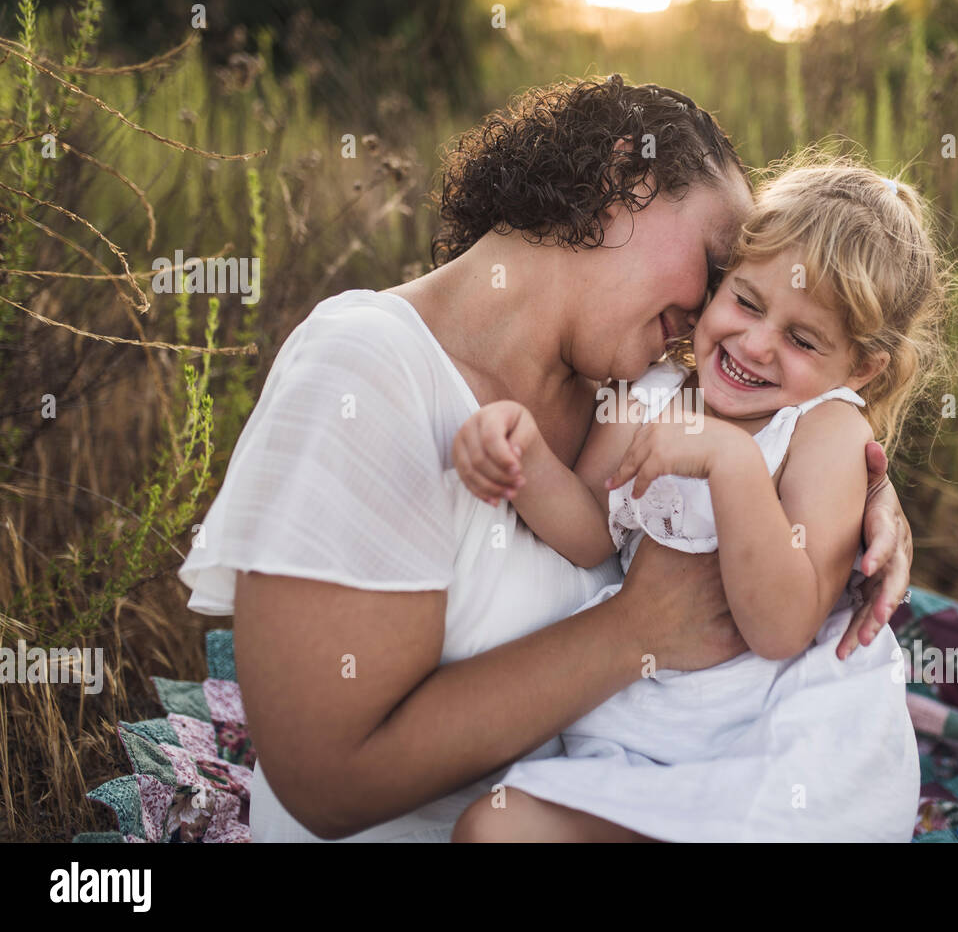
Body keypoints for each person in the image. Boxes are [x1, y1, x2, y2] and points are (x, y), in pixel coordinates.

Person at [177, 76, 916, 842]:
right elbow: (324, 784)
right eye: (718, 267)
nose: (712, 312)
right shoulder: (367, 369)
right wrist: (635, 631)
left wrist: (861, 492)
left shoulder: (622, 385)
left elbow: (778, 451)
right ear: (624, 180)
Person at [451, 158, 945, 841]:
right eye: (746, 301)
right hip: (638, 732)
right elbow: (594, 531)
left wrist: (731, 461)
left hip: (776, 750)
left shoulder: (826, 433)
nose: (756, 344)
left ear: (860, 368)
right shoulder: (650, 393)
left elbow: (780, 626)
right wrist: (523, 458)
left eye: (803, 339)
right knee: (492, 827)